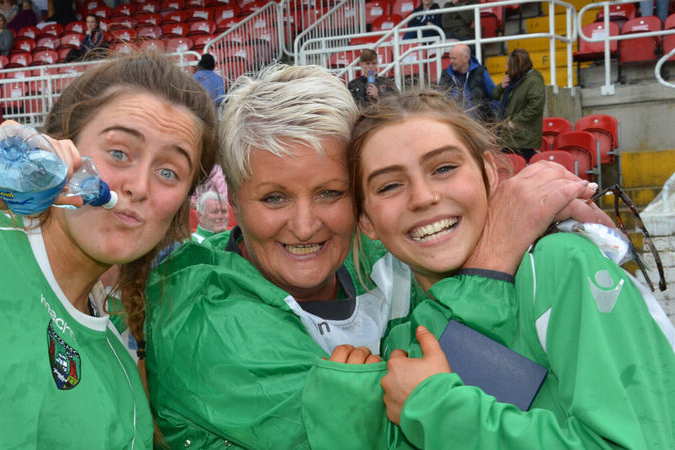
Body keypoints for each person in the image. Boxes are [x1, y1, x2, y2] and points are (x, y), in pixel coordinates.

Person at [143, 64, 607, 449]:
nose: (304, 225)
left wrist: (537, 209)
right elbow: (402, 437)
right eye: (274, 198)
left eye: (330, 192)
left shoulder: (378, 245)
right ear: (234, 203)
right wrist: (494, 259)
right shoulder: (206, 320)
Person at [0, 52, 217, 449]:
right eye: (119, 153)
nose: (139, 186)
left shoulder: (125, 397)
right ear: (62, 143)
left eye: (168, 172)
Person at [348, 89, 675, 449]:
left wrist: (440, 411)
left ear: (489, 173)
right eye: (389, 185)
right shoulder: (399, 335)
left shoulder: (560, 265)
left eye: (444, 168)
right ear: (366, 221)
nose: (423, 197)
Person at [493, 48, 545, 162]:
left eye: (508, 65)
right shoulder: (513, 80)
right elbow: (495, 95)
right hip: (508, 136)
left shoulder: (534, 81)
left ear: (517, 66)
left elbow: (535, 107)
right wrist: (501, 86)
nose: (505, 67)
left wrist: (514, 121)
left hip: (523, 139)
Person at [438, 43, 495, 123]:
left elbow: (494, 95)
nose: (451, 61)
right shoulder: (446, 74)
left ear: (466, 58)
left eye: (454, 58)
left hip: (479, 124)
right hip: (454, 123)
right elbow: (440, 99)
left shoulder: (480, 72)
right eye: (450, 58)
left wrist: (494, 119)